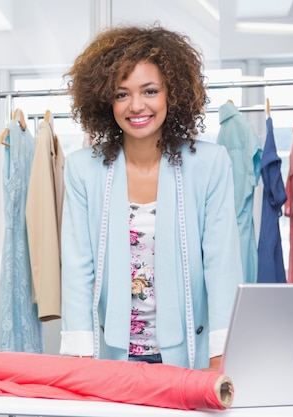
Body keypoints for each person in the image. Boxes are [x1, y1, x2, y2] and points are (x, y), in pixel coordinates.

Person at [59, 25, 243, 371]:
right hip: (111, 356)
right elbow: (77, 268)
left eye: (150, 90)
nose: (137, 105)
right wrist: (81, 359)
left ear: (172, 94)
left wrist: (221, 356)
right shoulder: (82, 168)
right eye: (121, 94)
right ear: (104, 100)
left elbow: (221, 265)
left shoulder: (209, 163)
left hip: (191, 354)